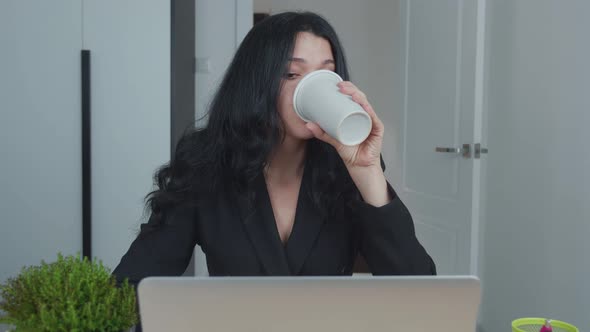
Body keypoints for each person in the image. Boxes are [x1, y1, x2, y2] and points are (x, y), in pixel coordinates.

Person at [113, 11, 435, 288]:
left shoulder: (348, 167)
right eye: (292, 74)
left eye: (326, 73)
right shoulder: (205, 162)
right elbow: (136, 282)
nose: (313, 88)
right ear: (257, 83)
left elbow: (419, 290)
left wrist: (368, 175)